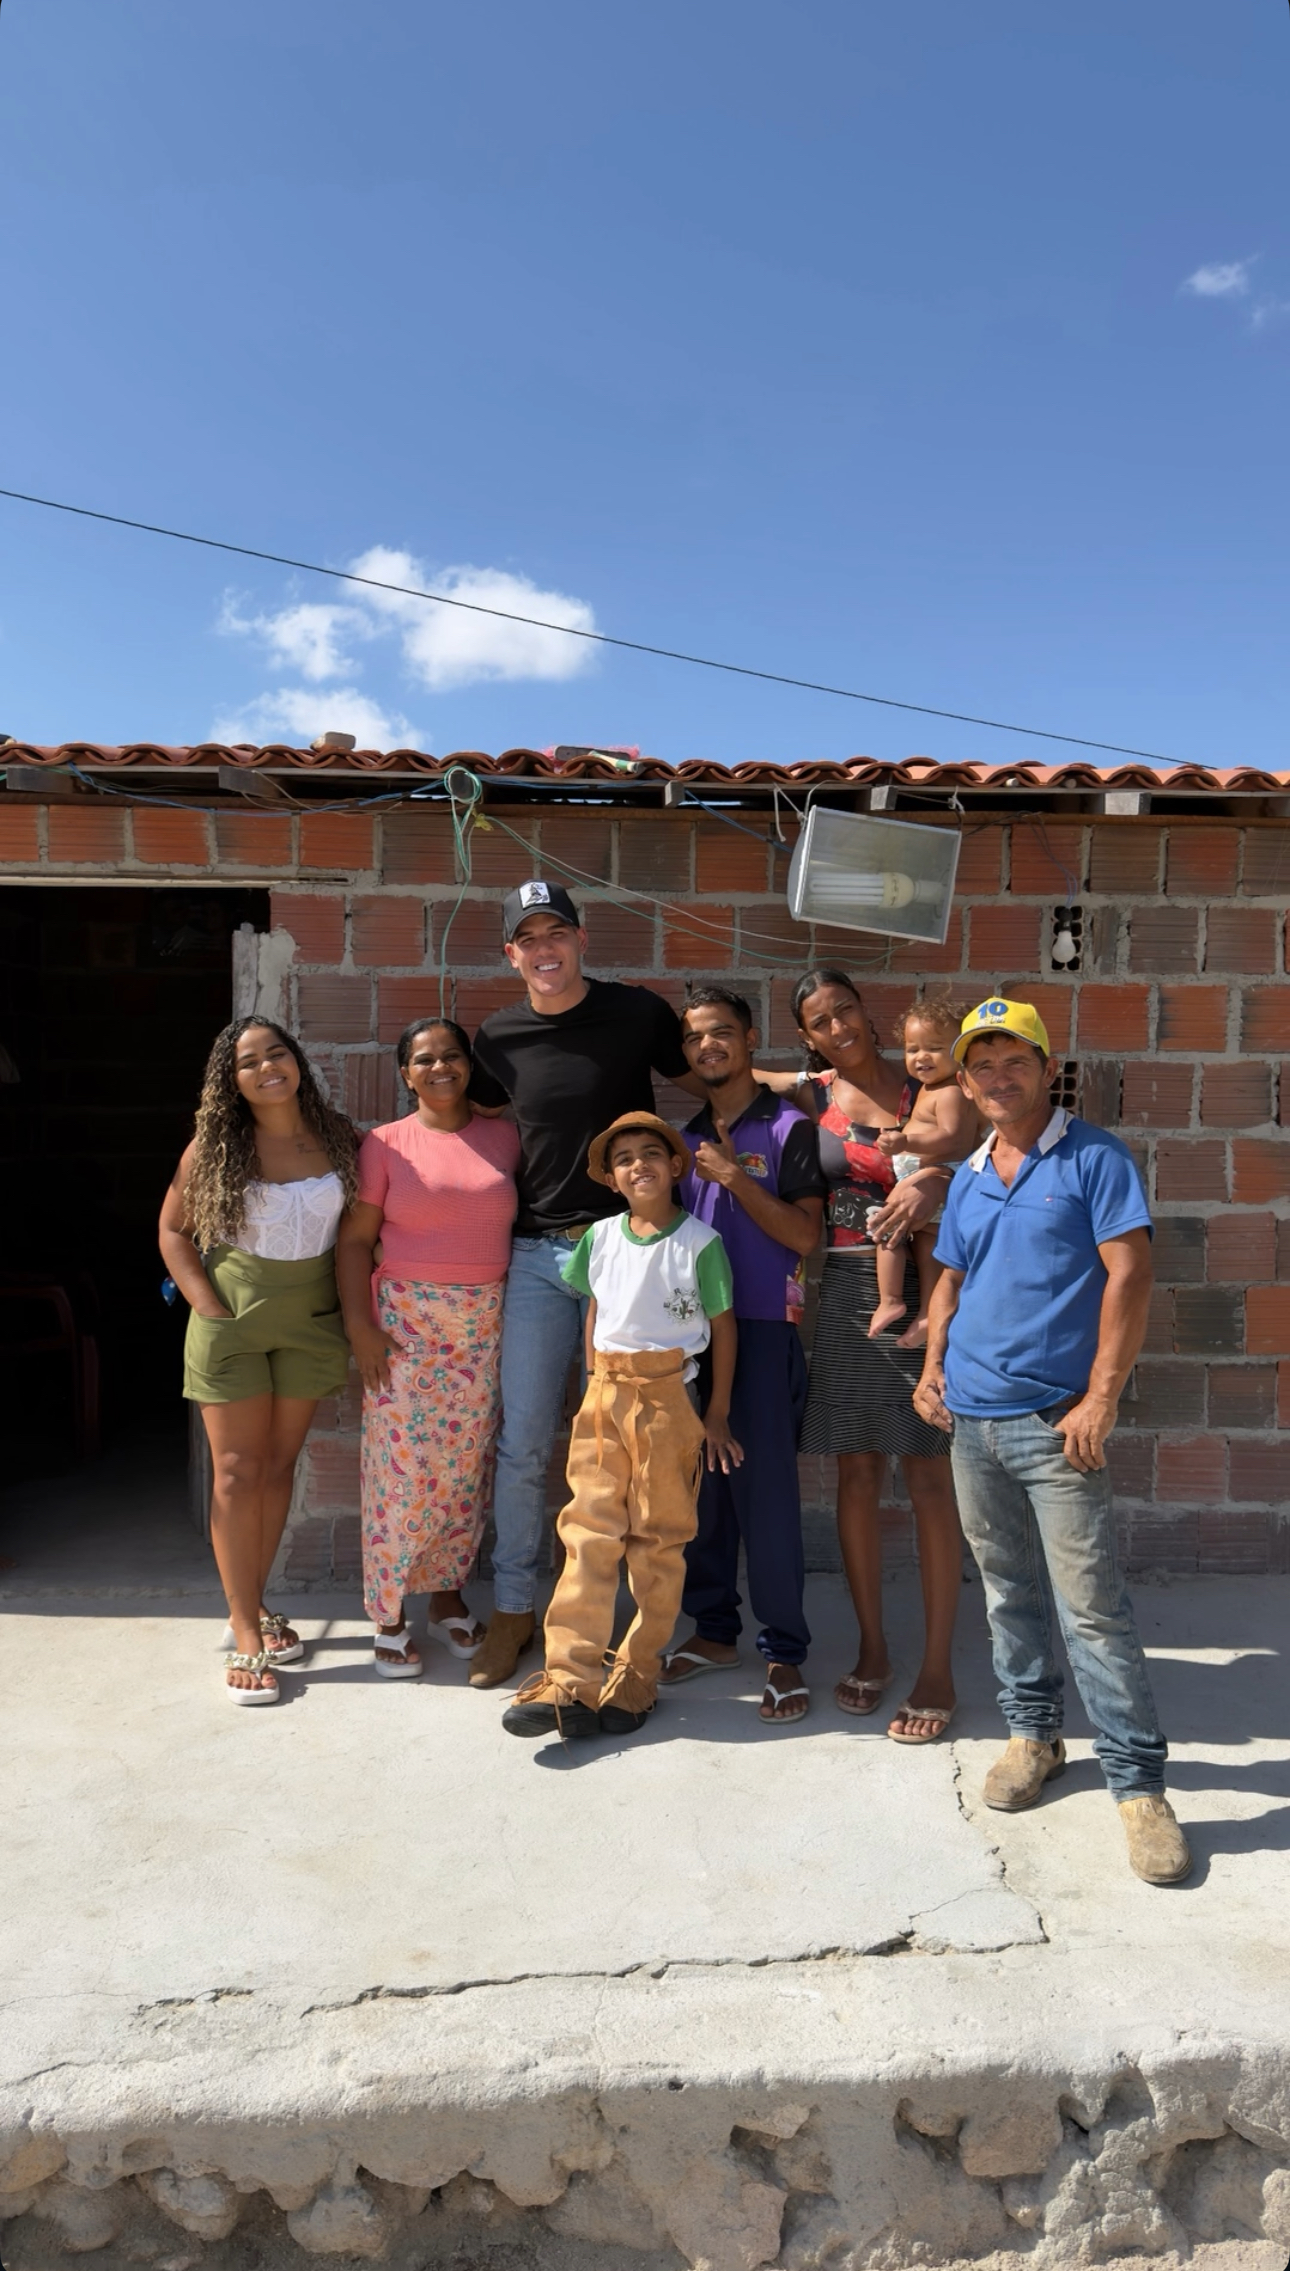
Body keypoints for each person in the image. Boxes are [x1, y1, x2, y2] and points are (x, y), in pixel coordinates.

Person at [914, 997, 1189, 1885]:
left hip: (1054, 1427)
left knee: (1094, 1612)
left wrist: (1101, 1397)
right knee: (1006, 1593)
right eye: (981, 1065)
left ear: (1046, 1065)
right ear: (965, 1078)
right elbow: (951, 1278)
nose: (998, 1078)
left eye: (1014, 1060)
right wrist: (931, 1366)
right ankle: (1034, 1737)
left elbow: (1132, 1273)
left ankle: (1140, 1788)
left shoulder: (1095, 1158)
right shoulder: (969, 1172)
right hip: (972, 1425)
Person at [464, 880, 700, 1689]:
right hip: (537, 1258)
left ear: (580, 937)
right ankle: (515, 1609)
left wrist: (802, 1089)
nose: (544, 949)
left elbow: (709, 1079)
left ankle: (633, 1617)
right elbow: (485, 1119)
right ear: (512, 955)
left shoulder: (637, 1013)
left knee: (634, 1440)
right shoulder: (495, 1038)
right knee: (526, 1440)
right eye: (527, 939)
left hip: (625, 1253)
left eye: (555, 931)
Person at [502, 1113, 737, 1741]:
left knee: (658, 1541)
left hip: (669, 1400)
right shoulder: (599, 1238)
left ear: (676, 1165)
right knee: (589, 1531)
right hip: (605, 1395)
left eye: (651, 1153)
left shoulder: (699, 1244)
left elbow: (724, 1328)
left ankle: (636, 1674)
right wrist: (590, 1389)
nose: (640, 1165)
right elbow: (597, 1312)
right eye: (625, 1158)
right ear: (611, 1177)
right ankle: (569, 1679)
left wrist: (714, 1413)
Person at [159, 1018, 356, 1705]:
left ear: (297, 1060)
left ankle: (259, 1600)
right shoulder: (215, 1146)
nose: (267, 1067)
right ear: (231, 1080)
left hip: (310, 1320)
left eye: (277, 1052)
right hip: (232, 1320)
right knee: (237, 1471)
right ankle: (244, 1628)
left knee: (277, 1466)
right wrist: (208, 1306)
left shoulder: (336, 1135)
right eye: (249, 1061)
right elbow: (173, 1231)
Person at [791, 968, 962, 1743]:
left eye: (846, 1010)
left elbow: (990, 1155)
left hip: (929, 1290)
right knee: (857, 1469)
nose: (839, 1026)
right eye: (821, 1021)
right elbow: (728, 1070)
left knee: (929, 1472)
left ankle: (936, 1667)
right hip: (848, 1291)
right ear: (809, 1035)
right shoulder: (810, 1092)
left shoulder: (929, 1081)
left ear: (869, 1011)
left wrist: (939, 1177)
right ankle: (872, 1645)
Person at [658, 986, 825, 1724]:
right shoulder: (685, 1133)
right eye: (695, 1039)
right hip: (693, 1338)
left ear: (751, 1039)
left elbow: (805, 1237)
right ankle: (715, 1629)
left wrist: (735, 1179)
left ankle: (784, 1650)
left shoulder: (789, 1128)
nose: (707, 1048)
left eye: (721, 1033)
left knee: (764, 1498)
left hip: (760, 1331)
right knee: (703, 1495)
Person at [335, 1019, 520, 1680]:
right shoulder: (385, 1145)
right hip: (405, 1326)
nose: (439, 1067)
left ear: (469, 1065)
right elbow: (355, 1241)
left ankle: (447, 1596)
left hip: (484, 1325)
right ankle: (386, 1614)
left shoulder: (504, 1137)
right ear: (405, 1073)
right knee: (401, 1470)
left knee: (466, 1470)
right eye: (423, 1059)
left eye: (451, 1055)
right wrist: (361, 1326)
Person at [871, 996, 982, 1347]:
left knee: (886, 1229)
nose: (921, 1057)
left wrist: (904, 1143)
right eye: (911, 1048)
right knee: (930, 1249)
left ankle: (890, 1300)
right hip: (933, 1176)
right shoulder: (933, 1088)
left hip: (935, 1175)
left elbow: (951, 1136)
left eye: (934, 1048)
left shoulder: (950, 1091)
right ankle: (927, 1315)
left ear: (960, 1050)